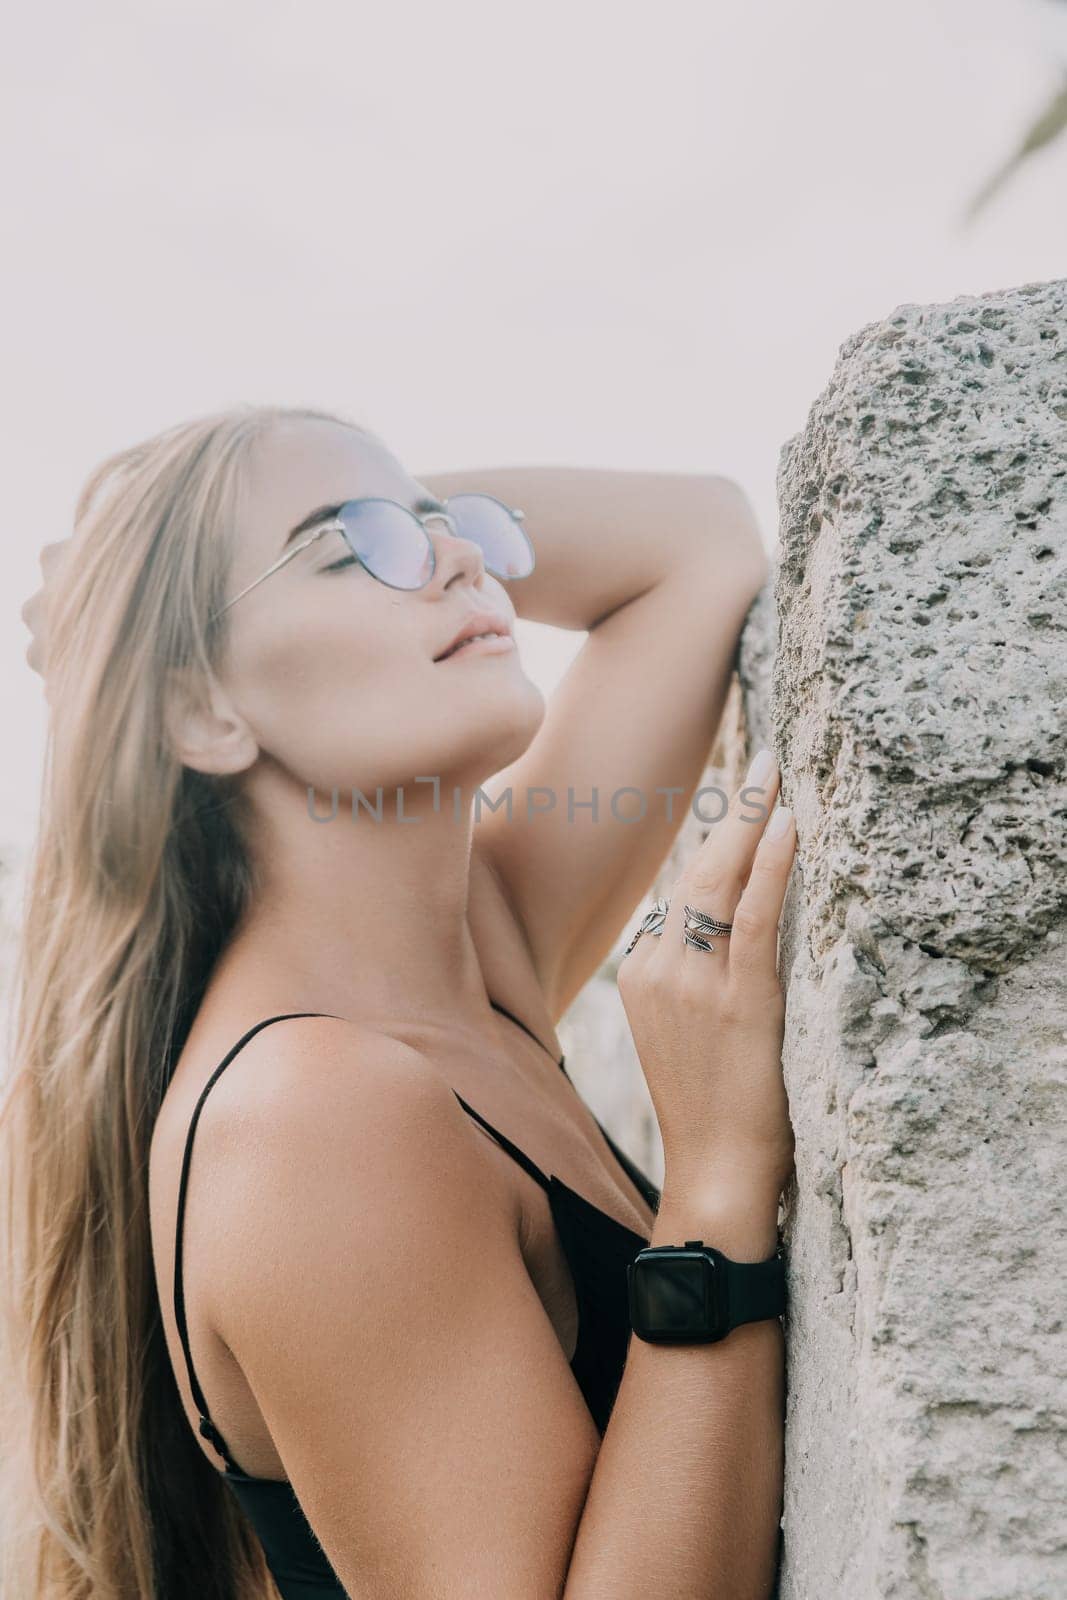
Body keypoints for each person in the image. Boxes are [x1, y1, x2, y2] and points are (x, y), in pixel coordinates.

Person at [2, 403, 796, 1599]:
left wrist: (301, 534)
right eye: (350, 545)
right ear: (200, 713)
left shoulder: (482, 950)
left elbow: (700, 540)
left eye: (447, 527)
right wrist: (718, 1181)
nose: (463, 557)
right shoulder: (311, 1116)